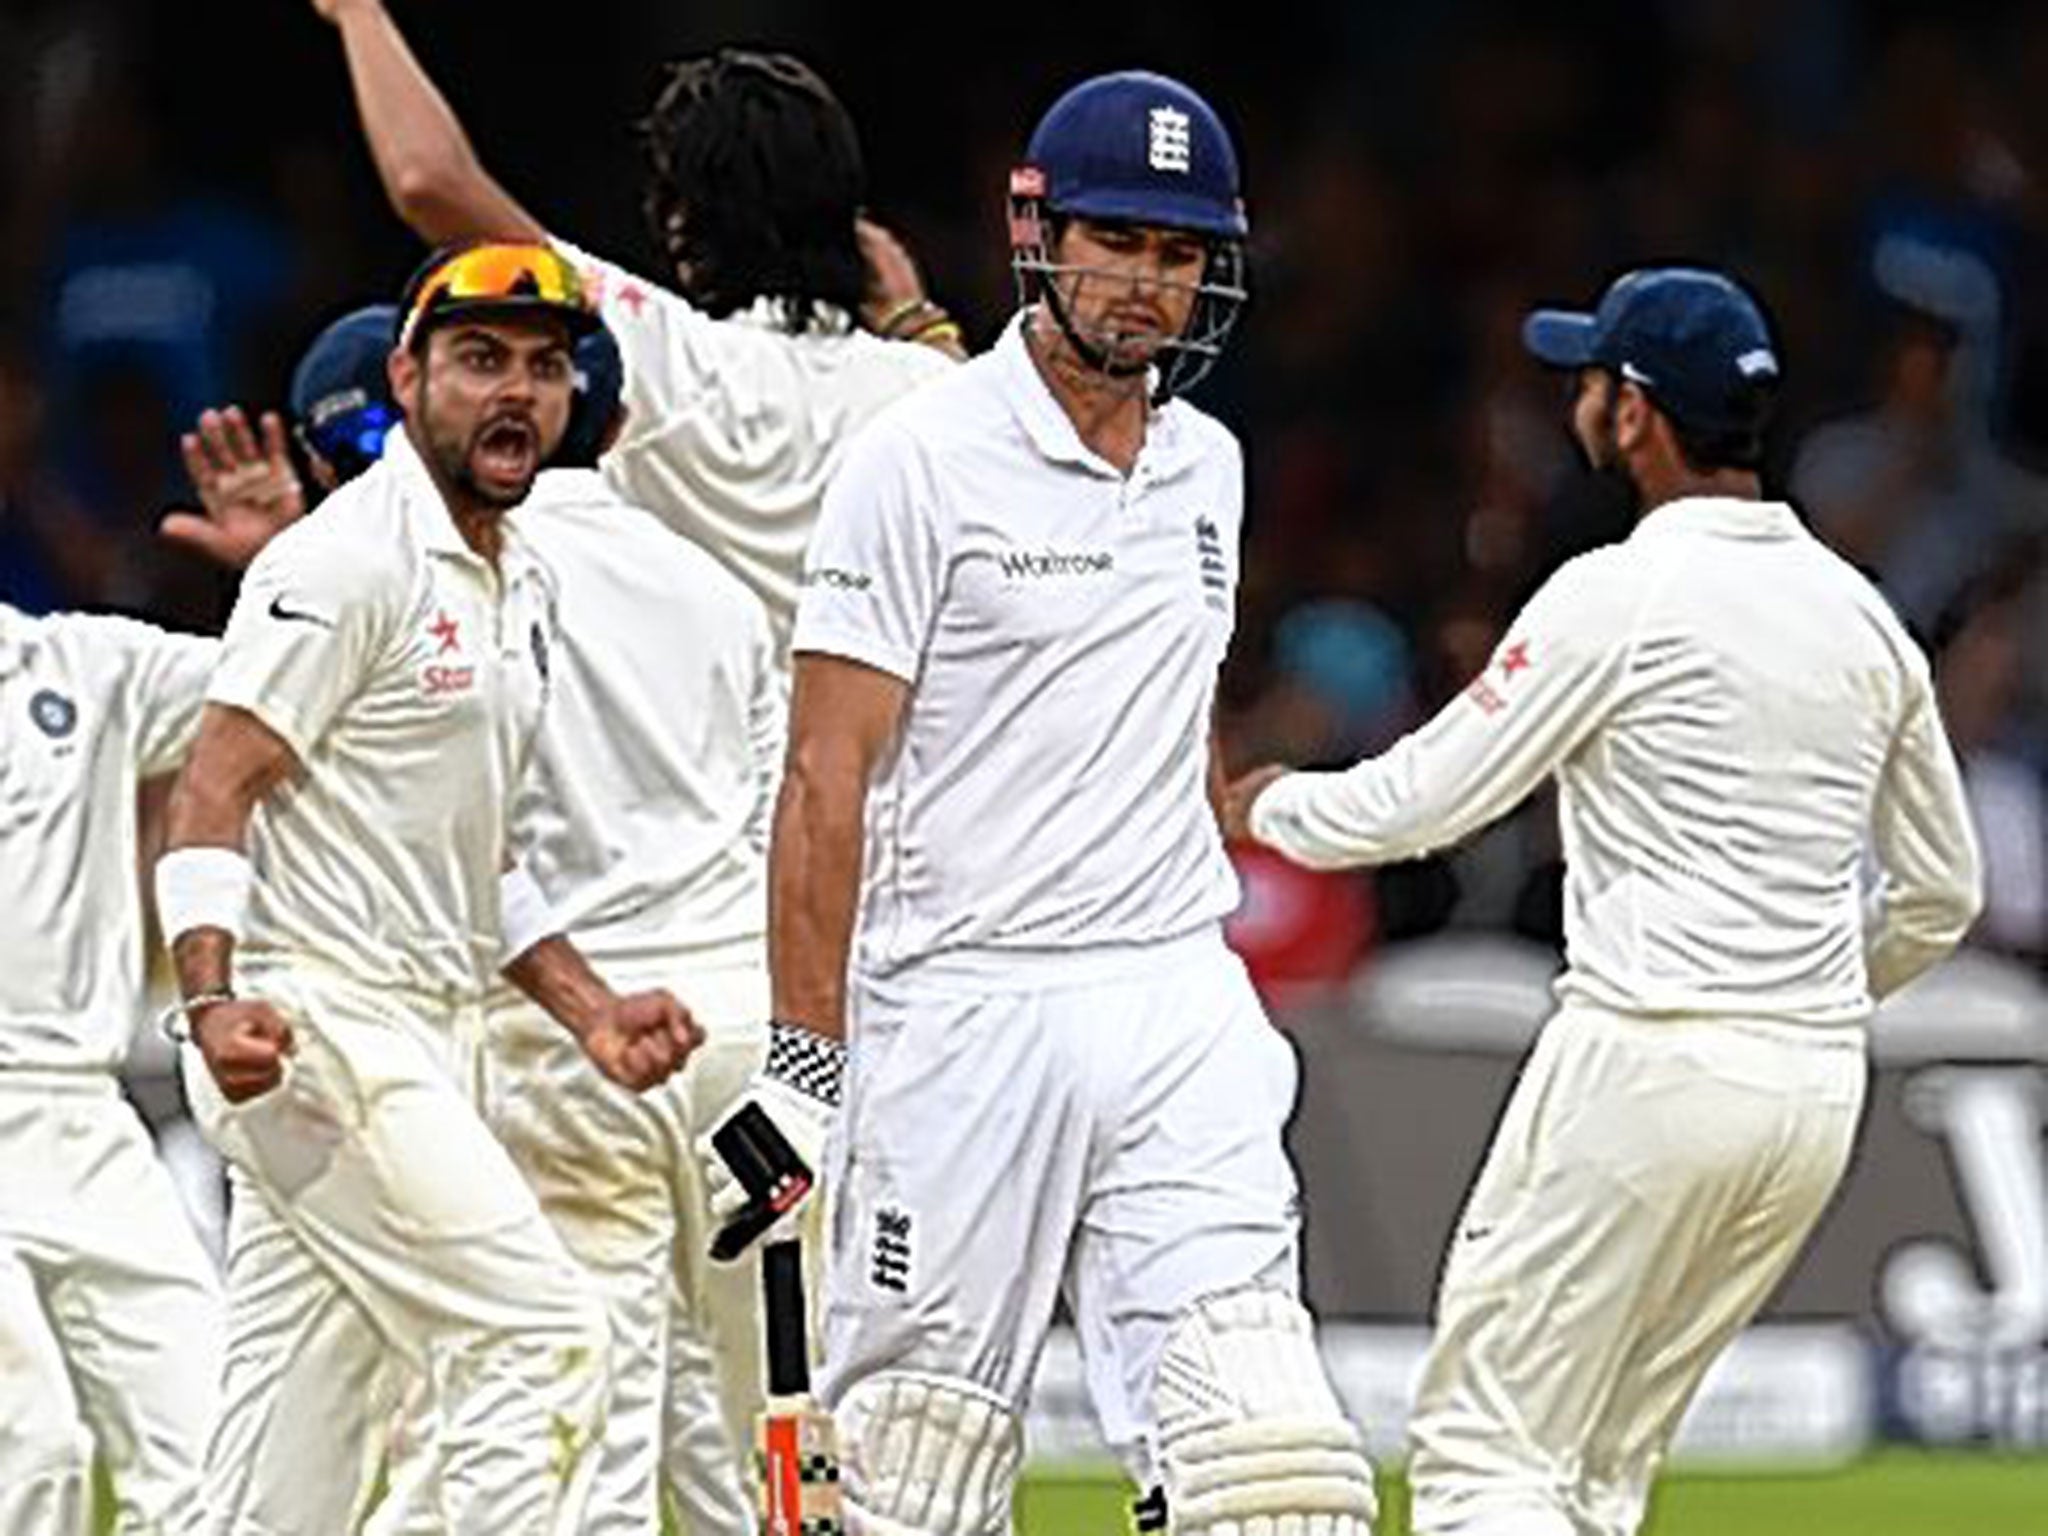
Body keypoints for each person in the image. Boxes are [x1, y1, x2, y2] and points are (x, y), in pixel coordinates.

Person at [712, 70, 1379, 1535]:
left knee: (1277, 1482)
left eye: (1181, 254)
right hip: (959, 1013)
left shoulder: (1211, 465)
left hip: (1171, 1004)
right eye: (1121, 242)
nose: (1149, 286)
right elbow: (826, 778)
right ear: (1038, 228)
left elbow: (1167, 709)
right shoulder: (916, 462)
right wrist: (806, 1068)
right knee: (915, 1484)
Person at [1223, 267, 1986, 1536]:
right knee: (1595, 1473)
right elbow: (1940, 891)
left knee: (1484, 1453)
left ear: (1632, 413)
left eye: (1589, 381)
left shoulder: (1616, 595)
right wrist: (1803, 998)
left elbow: (1422, 801)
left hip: (1647, 1060)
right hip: (1805, 1099)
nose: (1577, 403)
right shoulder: (1860, 618)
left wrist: (1265, 808)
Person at [192, 300, 784, 1533]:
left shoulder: (502, 580)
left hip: (447, 1029)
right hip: (320, 1031)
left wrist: (590, 1010)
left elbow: (477, 857)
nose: (514, 391)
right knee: (545, 1340)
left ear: (577, 400)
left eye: (541, 366)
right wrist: (210, 998)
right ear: (408, 381)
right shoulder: (355, 559)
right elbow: (211, 784)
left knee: (298, 1445)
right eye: (479, 361)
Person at [309, 0, 958, 650]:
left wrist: (359, 13)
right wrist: (918, 320)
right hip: (886, 746)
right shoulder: (932, 386)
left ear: (681, 223)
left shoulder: (670, 356)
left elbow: (430, 183)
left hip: (698, 746)